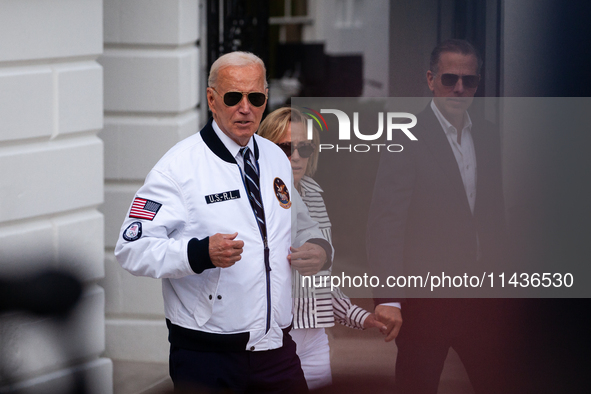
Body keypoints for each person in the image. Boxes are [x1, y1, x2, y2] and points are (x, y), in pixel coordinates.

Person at [115, 51, 333, 393]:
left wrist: (320, 248)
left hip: (276, 348)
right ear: (212, 99)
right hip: (207, 355)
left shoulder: (276, 156)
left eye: (256, 97)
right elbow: (131, 248)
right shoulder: (177, 169)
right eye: (233, 97)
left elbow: (302, 223)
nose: (245, 108)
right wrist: (199, 253)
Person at [367, 39, 507, 393]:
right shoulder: (405, 136)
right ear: (431, 79)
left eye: (469, 80)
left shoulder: (489, 136)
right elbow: (386, 222)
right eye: (449, 79)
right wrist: (388, 298)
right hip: (423, 304)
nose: (459, 88)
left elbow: (494, 217)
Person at [258, 107, 386, 390]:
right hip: (274, 336)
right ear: (265, 148)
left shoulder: (313, 194)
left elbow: (319, 278)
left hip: (315, 335)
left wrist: (358, 315)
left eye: (304, 147)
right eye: (286, 147)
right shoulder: (256, 197)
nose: (296, 156)